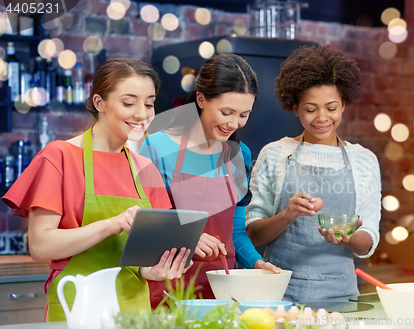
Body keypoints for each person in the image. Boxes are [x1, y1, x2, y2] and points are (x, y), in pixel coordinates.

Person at [2, 58, 192, 321]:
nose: (142, 114)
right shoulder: (59, 157)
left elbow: (146, 259)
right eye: (129, 103)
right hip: (76, 311)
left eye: (149, 103)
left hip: (134, 315)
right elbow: (40, 246)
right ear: (99, 103)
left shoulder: (144, 167)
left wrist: (155, 270)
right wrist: (110, 225)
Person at [139, 54, 279, 307]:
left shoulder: (240, 154)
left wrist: (257, 263)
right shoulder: (156, 147)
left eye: (243, 115)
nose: (233, 124)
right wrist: (185, 236)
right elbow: (143, 225)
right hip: (168, 292)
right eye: (226, 112)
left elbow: (235, 233)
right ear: (201, 99)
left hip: (223, 295)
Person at [245, 45, 381, 302]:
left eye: (331, 108)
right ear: (295, 108)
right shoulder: (274, 154)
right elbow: (254, 232)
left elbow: (368, 242)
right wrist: (287, 214)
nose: (321, 118)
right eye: (310, 109)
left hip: (342, 297)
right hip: (280, 294)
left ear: (343, 105)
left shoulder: (364, 161)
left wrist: (347, 238)